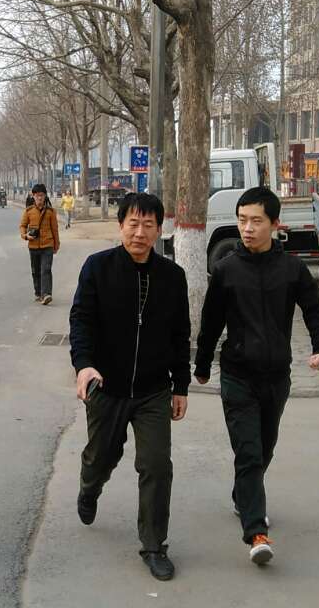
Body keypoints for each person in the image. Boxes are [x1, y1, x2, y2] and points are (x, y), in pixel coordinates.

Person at [194, 186, 319, 567]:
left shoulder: (291, 270)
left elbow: (315, 311)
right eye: (242, 220)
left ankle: (242, 496)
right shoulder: (226, 270)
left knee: (264, 447)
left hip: (276, 378)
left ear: (274, 224)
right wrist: (202, 366)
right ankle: (256, 532)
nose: (247, 228)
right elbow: (210, 322)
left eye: (256, 221)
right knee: (249, 452)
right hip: (237, 376)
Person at [69, 192, 191, 581]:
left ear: (159, 229)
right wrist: (84, 366)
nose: (140, 233)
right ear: (120, 225)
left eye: (148, 225)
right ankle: (90, 488)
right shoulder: (97, 268)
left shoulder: (172, 276)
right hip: (107, 386)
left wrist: (181, 385)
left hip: (154, 390)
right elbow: (81, 320)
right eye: (133, 224)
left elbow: (180, 334)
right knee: (101, 456)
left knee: (156, 465)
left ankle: (154, 545)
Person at [20, 183, 61, 305]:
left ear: (45, 196)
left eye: (42, 195)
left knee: (46, 269)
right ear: (33, 196)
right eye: (37, 195)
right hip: (33, 246)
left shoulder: (51, 212)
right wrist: (25, 236)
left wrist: (56, 244)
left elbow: (55, 229)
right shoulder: (28, 211)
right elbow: (22, 226)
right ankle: (38, 292)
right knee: (36, 271)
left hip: (47, 245)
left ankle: (46, 294)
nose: (39, 198)